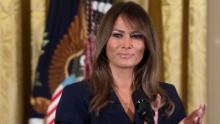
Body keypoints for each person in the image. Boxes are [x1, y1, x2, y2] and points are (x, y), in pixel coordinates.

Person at [55, 2, 205, 124]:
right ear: (104, 41)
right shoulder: (76, 95)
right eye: (117, 35)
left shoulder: (167, 96)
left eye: (136, 36)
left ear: (146, 45)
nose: (127, 44)